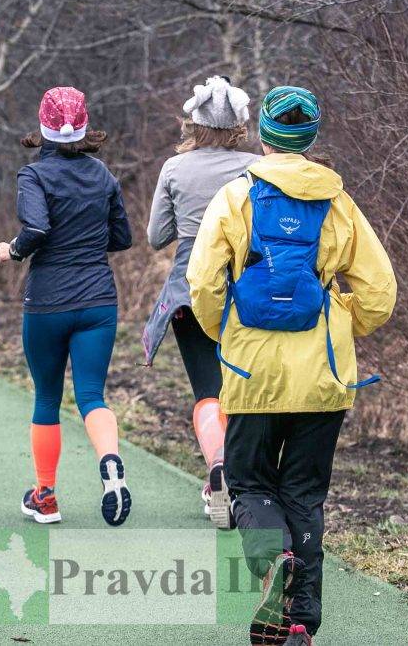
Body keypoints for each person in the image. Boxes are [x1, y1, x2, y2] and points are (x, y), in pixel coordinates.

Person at [187, 86, 396, 645]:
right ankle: (301, 621)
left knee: (250, 484)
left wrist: (223, 331)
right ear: (310, 138)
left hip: (253, 372)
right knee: (304, 494)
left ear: (264, 135)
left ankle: (271, 559)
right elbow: (379, 292)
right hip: (324, 378)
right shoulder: (339, 202)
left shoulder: (235, 198)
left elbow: (204, 283)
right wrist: (340, 320)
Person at [0, 86, 133, 526]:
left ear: (43, 128)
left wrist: (13, 251)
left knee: (47, 398)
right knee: (92, 394)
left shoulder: (33, 177)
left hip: (49, 300)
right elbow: (122, 238)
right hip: (98, 299)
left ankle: (46, 496)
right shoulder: (103, 175)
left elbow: (35, 228)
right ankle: (110, 463)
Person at [142, 76, 257, 528]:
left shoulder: (175, 168)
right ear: (238, 124)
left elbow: (155, 238)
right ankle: (243, 481)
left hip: (189, 291)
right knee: (243, 388)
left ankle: (217, 472)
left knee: (208, 390)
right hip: (244, 289)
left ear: (194, 122)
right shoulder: (255, 167)